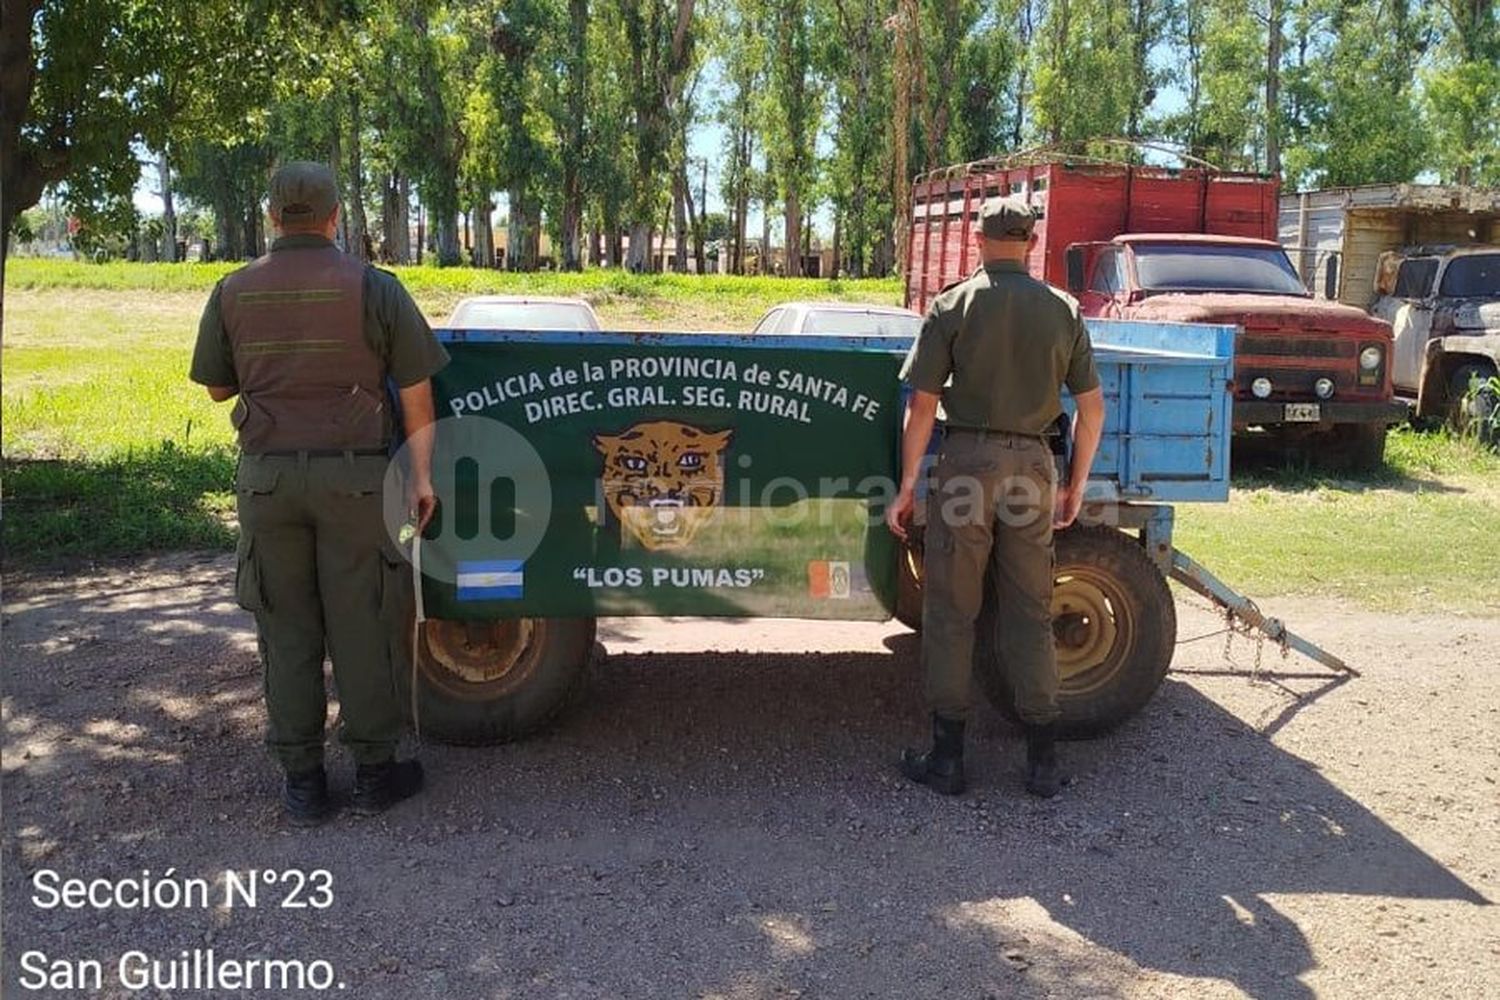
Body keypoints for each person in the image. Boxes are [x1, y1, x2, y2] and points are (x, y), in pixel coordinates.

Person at [190, 162, 447, 824]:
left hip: (268, 481)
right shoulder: (375, 289)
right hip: (356, 483)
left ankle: (303, 783)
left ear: (273, 217)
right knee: (364, 621)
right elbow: (418, 396)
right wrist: (420, 479)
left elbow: (219, 387)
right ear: (336, 217)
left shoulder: (232, 290)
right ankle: (372, 774)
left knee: (286, 626)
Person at [886, 196, 1105, 799]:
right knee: (1030, 610)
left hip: (967, 466)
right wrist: (1076, 485)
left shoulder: (953, 304)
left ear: (975, 240)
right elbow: (1091, 410)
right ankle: (1041, 761)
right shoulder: (1063, 310)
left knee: (953, 609)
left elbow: (923, 406)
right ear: (1032, 243)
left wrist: (906, 489)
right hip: (1035, 466)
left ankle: (949, 758)